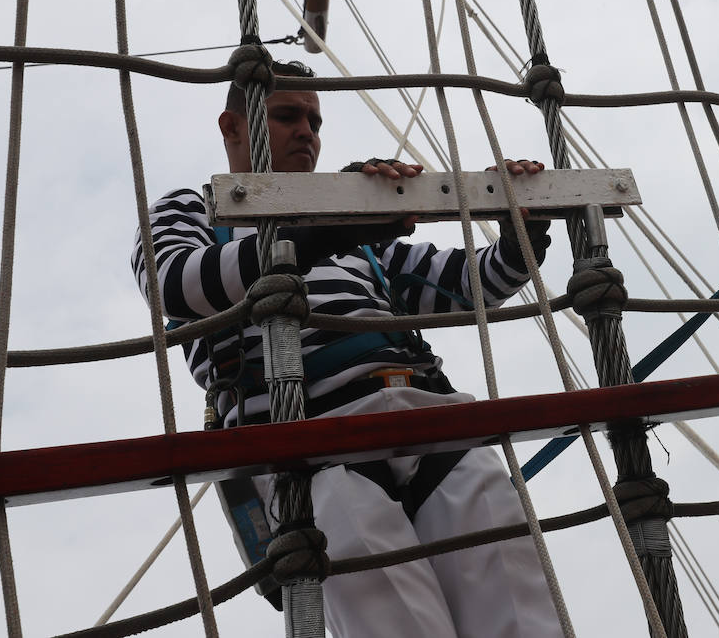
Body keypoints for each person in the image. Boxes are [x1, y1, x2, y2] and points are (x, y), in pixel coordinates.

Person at [131, 61, 563, 637]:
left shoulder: (362, 248)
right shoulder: (193, 211)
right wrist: (323, 228)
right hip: (316, 444)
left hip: (433, 424)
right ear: (232, 128)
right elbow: (176, 283)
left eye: (314, 119)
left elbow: (465, 285)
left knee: (524, 614)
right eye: (287, 116)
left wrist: (519, 238)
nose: (306, 132)